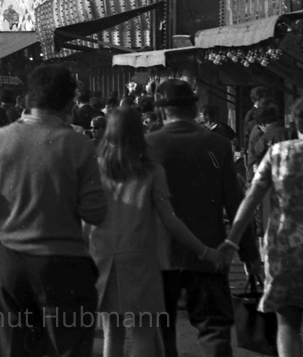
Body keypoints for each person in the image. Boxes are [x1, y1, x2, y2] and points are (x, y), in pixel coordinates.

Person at [0, 65, 107, 357]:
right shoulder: (78, 144)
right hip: (63, 264)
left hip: (6, 261)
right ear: (68, 103)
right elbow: (94, 211)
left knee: (10, 346)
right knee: (68, 345)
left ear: (29, 99)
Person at [89, 107, 223, 357]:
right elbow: (171, 221)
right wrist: (204, 250)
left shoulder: (95, 170)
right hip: (140, 258)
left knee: (112, 333)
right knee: (143, 333)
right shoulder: (151, 171)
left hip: (102, 257)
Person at [146, 79, 258, 357]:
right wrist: (249, 254)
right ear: (195, 108)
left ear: (162, 112)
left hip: (158, 253)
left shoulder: (148, 145)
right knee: (214, 329)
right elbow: (236, 204)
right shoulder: (218, 145)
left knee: (161, 330)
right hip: (209, 252)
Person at [221, 90, 303, 357]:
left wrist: (233, 240)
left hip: (283, 250)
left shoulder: (279, 153)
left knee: (286, 322)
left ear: (298, 122)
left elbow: (251, 199)